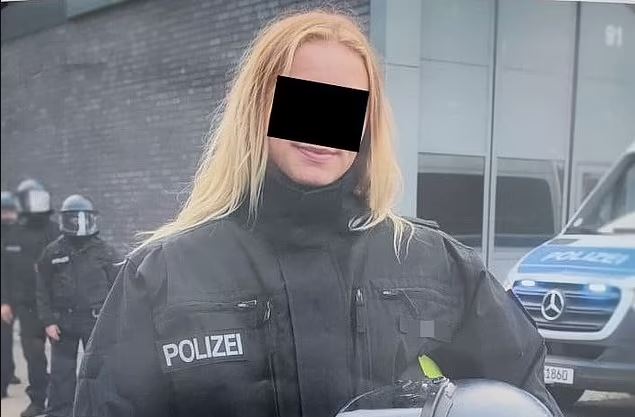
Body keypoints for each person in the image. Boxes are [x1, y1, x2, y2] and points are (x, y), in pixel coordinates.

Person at [74, 10, 563, 417]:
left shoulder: (436, 265)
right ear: (258, 109)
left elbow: (521, 394)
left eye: (345, 106)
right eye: (303, 98)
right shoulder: (161, 276)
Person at [36, 195, 119, 417]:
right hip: (63, 321)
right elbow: (42, 288)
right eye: (74, 219)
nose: (80, 223)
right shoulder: (53, 251)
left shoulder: (105, 251)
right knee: (61, 373)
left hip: (95, 320)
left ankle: (98, 410)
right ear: (65, 220)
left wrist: (113, 320)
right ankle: (59, 412)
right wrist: (48, 321)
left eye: (84, 218)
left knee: (98, 370)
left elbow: (118, 286)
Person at [3, 179, 59, 417]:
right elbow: (4, 271)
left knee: (61, 358)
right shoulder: (13, 234)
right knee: (34, 356)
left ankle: (61, 402)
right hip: (27, 306)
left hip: (55, 306)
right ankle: (38, 400)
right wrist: (4, 301)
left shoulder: (55, 231)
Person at [1, 191, 21, 398]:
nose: (7, 215)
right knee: (4, 340)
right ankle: (3, 380)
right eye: (3, 211)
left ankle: (10, 372)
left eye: (9, 211)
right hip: (6, 295)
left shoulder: (21, 232)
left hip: (24, 294)